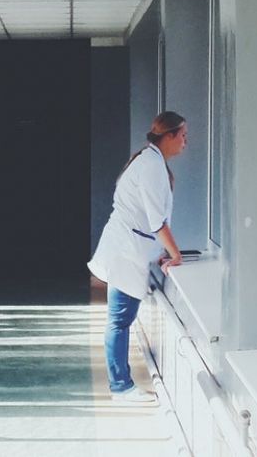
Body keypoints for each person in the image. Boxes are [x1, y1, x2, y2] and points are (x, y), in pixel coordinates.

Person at [87, 111, 188, 403]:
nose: (185, 142)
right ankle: (120, 387)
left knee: (120, 319)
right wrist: (175, 255)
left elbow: (149, 220)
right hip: (124, 252)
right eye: (182, 135)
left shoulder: (150, 160)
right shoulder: (152, 167)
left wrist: (162, 252)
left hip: (128, 248)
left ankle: (121, 384)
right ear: (168, 136)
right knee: (119, 320)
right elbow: (157, 221)